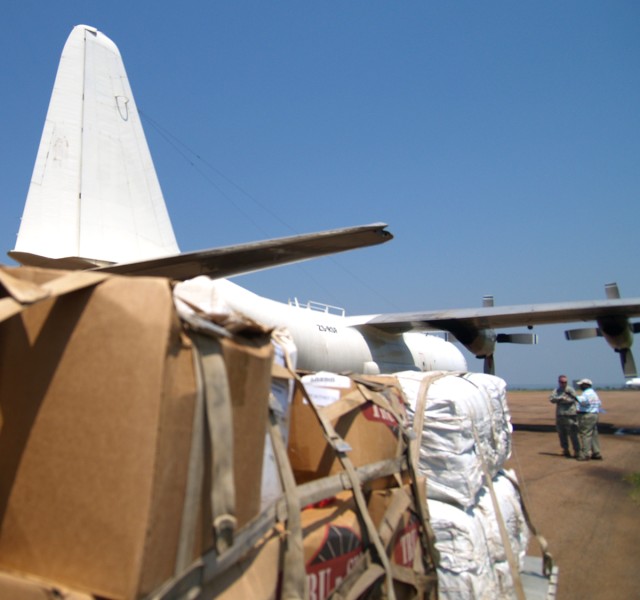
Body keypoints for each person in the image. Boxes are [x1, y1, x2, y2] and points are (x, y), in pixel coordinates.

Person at [549, 374, 579, 458]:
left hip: (570, 414)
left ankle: (576, 451)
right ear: (559, 382)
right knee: (562, 434)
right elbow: (551, 399)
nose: (563, 384)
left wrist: (561, 399)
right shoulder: (557, 390)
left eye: (565, 382)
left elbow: (574, 399)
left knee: (573, 434)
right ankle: (565, 450)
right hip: (560, 415)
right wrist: (560, 399)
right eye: (562, 382)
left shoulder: (570, 390)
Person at [575, 378, 603, 461]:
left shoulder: (586, 394)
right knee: (594, 433)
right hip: (594, 414)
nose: (580, 386)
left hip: (586, 415)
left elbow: (581, 400)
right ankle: (596, 452)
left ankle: (585, 454)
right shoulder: (594, 393)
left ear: (586, 385)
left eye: (581, 384)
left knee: (585, 434)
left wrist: (573, 396)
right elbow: (599, 403)